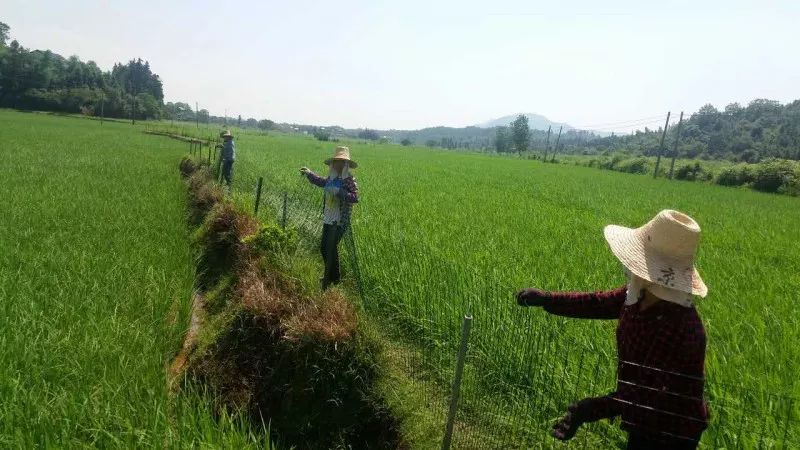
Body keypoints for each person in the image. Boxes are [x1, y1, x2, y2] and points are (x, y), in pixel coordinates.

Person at [516, 210, 709, 450]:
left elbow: (647, 392)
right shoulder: (641, 294)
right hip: (642, 416)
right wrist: (547, 299)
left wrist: (590, 409)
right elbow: (597, 303)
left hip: (672, 428)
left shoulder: (681, 326)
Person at [299, 146, 359, 289]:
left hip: (339, 221)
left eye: (342, 162)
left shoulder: (348, 180)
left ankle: (332, 278)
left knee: (329, 248)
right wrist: (309, 174)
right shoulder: (332, 178)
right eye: (337, 161)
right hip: (328, 218)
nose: (338, 165)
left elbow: (355, 197)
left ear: (346, 165)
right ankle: (332, 276)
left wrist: (340, 192)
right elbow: (321, 182)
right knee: (324, 248)